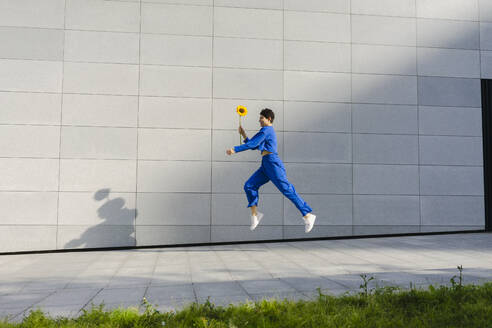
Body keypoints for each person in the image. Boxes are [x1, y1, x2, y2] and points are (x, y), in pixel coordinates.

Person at [226, 108, 316, 233]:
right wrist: (244, 135)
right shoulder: (266, 131)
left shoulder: (266, 130)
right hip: (266, 164)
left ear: (269, 119)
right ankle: (255, 215)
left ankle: (307, 215)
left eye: (261, 118)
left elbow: (252, 145)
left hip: (273, 163)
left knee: (286, 189)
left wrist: (235, 149)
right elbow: (255, 145)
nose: (259, 120)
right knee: (249, 186)